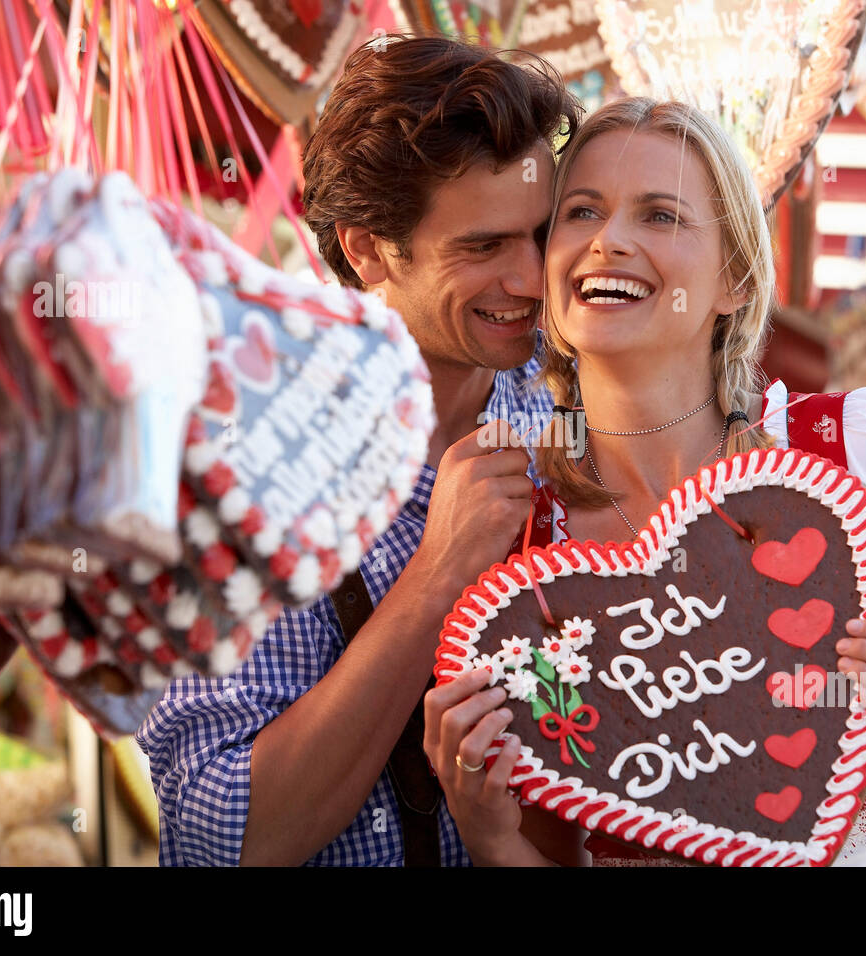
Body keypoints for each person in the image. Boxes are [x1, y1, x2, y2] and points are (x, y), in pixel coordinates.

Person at [423, 97, 866, 867]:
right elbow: (559, 854)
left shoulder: (852, 445)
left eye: (660, 217)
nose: (608, 241)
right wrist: (486, 833)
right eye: (581, 212)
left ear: (736, 281)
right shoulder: (520, 534)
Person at [136, 36, 586, 866]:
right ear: (367, 247)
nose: (532, 279)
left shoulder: (572, 409)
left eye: (541, 232)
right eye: (483, 246)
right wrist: (436, 576)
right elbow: (227, 842)